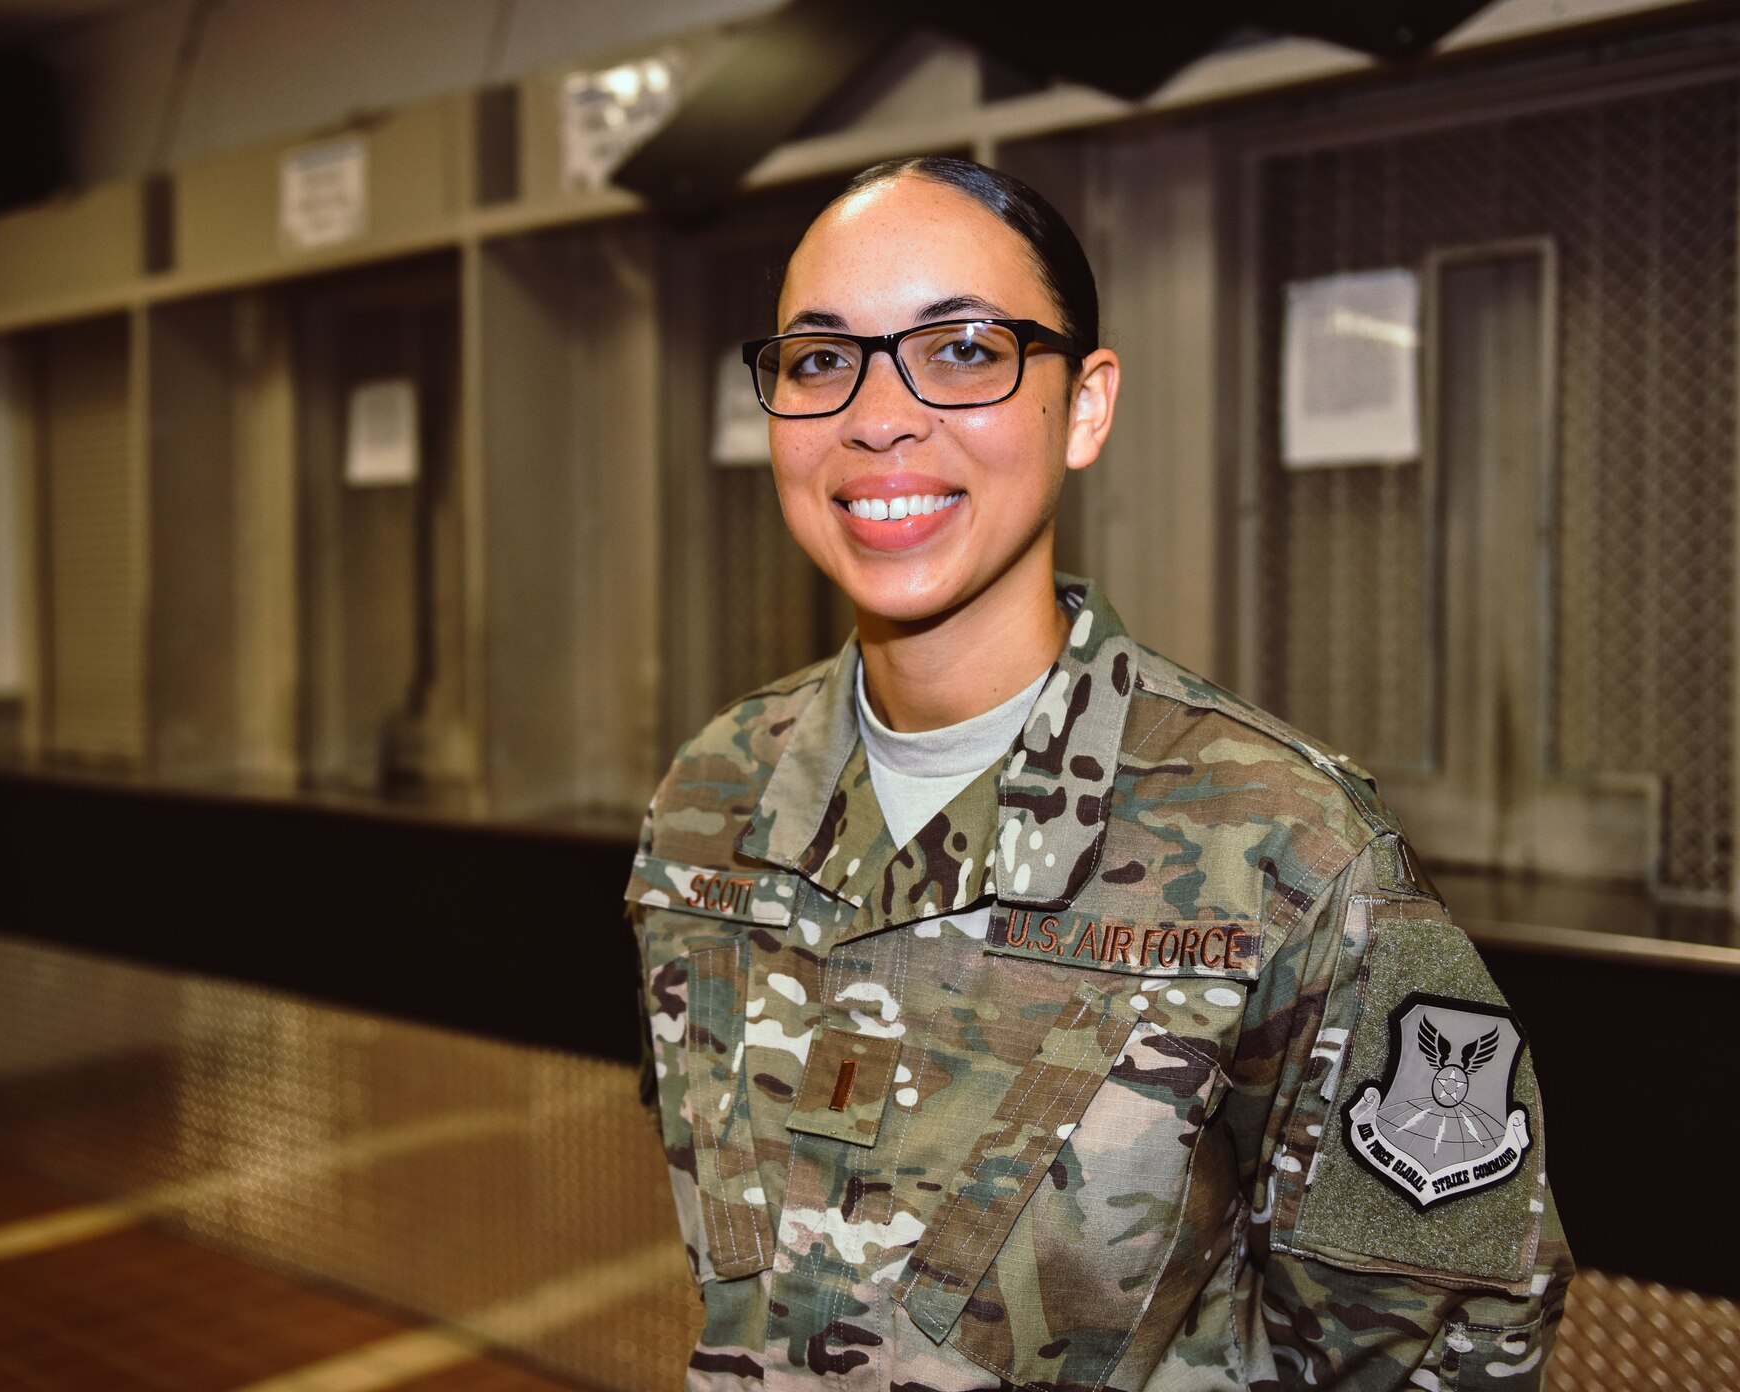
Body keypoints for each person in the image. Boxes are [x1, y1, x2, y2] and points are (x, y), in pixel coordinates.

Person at [623, 155, 1572, 1392]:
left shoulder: (1278, 841)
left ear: (1082, 405)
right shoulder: (712, 798)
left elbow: (1447, 1341)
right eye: (819, 359)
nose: (876, 413)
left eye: (961, 349)